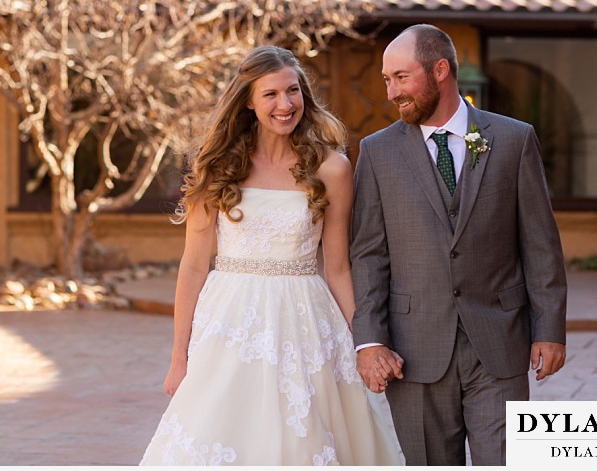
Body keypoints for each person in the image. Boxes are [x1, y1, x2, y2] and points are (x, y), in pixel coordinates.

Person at [140, 45, 404, 465]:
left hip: (306, 323)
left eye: (293, 91)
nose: (286, 104)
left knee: (304, 435)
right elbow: (192, 267)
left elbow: (337, 268)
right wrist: (179, 357)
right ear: (248, 101)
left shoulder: (332, 169)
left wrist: (365, 344)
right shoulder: (216, 167)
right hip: (230, 324)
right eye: (271, 94)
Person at [350, 24, 568, 466]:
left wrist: (548, 328)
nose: (391, 92)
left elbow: (540, 243)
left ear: (441, 70)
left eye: (402, 77)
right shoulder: (377, 152)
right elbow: (369, 254)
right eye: (386, 79)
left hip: (499, 343)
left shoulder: (513, 139)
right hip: (414, 351)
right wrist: (370, 340)